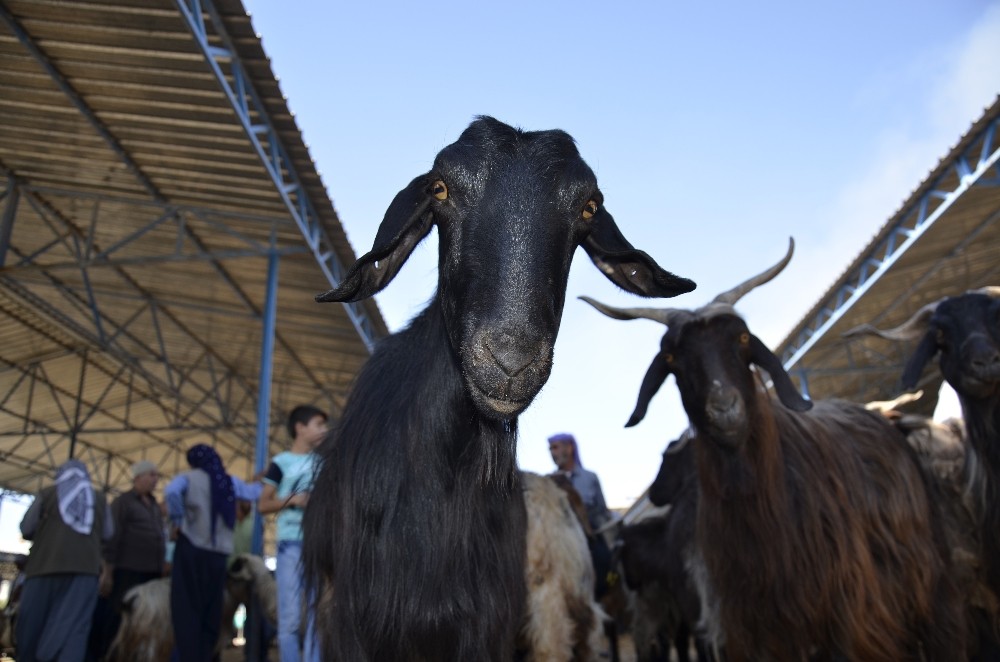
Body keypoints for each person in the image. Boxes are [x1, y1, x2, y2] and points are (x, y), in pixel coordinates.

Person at [164, 444, 262, 662]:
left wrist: (178, 519)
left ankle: (187, 656)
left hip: (191, 549)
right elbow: (254, 493)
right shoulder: (227, 480)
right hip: (218, 556)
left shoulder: (188, 478)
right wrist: (264, 481)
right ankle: (205, 656)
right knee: (212, 611)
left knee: (187, 609)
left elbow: (170, 492)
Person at [16, 459, 113, 662]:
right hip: (85, 573)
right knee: (74, 630)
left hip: (43, 569)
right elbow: (108, 533)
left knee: (33, 626)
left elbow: (26, 528)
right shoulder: (99, 498)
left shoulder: (48, 494)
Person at [258, 404, 328, 662]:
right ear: (300, 428)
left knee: (315, 614)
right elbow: (263, 504)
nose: (324, 430)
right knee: (289, 617)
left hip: (316, 544)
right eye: (318, 424)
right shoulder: (280, 463)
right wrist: (294, 499)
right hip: (290, 545)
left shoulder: (323, 463)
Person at [90, 459, 165, 659]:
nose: (155, 479)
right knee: (118, 618)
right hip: (128, 572)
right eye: (151, 475)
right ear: (138, 478)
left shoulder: (154, 506)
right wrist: (108, 571)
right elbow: (112, 538)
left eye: (156, 476)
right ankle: (109, 655)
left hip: (151, 573)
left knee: (145, 620)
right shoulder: (123, 502)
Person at [547, 432, 615, 599]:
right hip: (561, 541)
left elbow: (602, 510)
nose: (552, 452)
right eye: (550, 449)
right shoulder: (549, 481)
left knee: (608, 565)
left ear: (569, 448)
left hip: (591, 538)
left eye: (555, 447)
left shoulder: (590, 478)